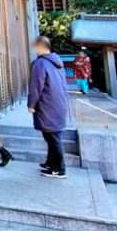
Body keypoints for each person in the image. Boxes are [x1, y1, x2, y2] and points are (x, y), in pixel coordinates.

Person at [27, 36, 69, 179]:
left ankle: (59, 169)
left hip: (47, 104)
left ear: (39, 46)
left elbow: (36, 86)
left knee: (52, 137)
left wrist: (31, 104)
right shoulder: (57, 62)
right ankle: (50, 163)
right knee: (51, 135)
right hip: (57, 103)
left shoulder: (40, 63)